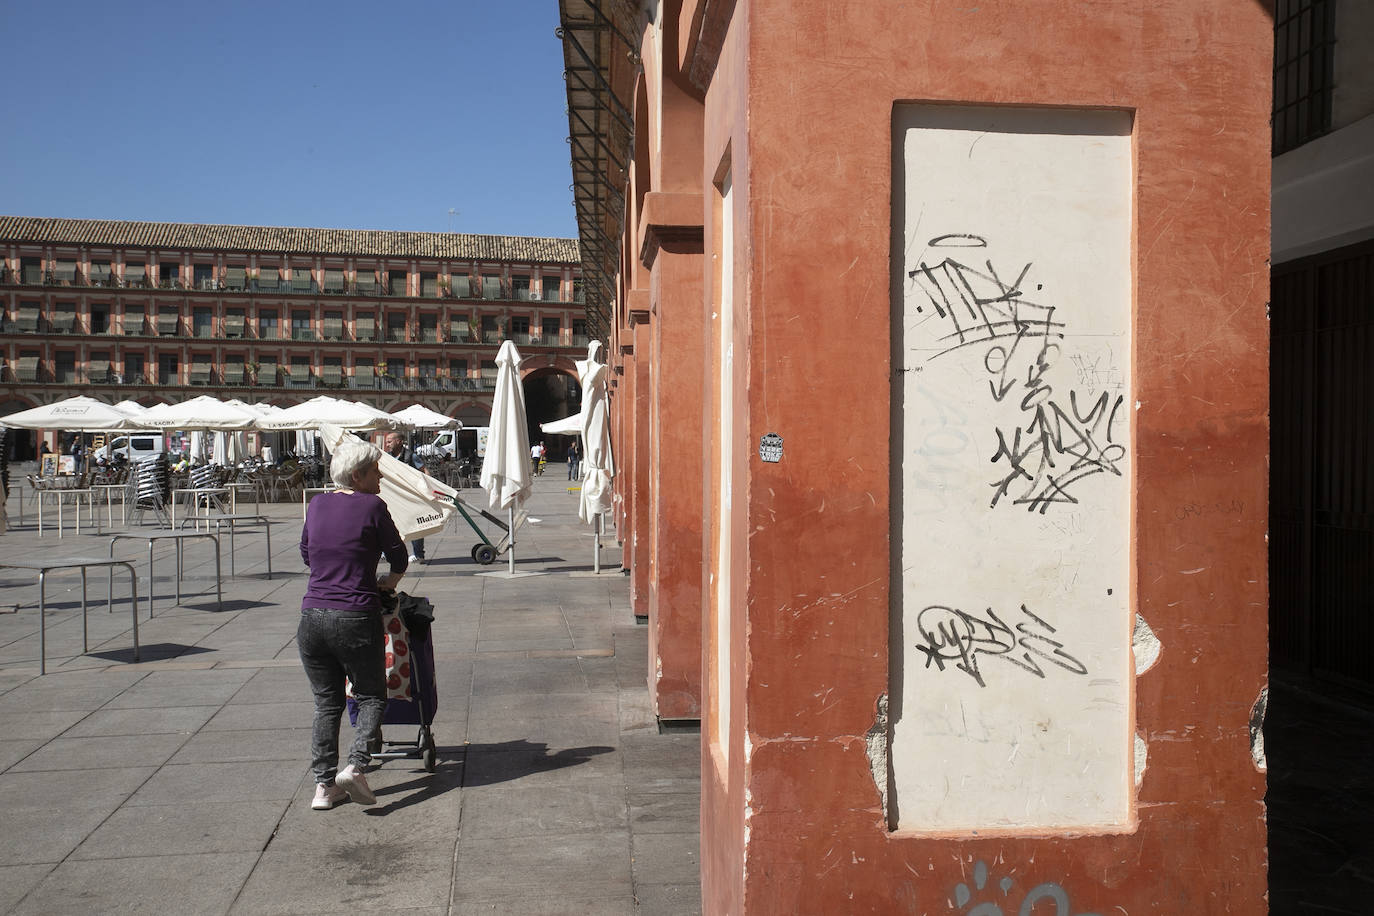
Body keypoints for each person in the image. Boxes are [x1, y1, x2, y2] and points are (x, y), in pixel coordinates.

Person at [298, 436, 408, 810]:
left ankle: (323, 787)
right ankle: (357, 765)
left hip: (311, 616)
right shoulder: (372, 506)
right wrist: (385, 584)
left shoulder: (316, 504)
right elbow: (398, 556)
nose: (380, 477)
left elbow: (306, 553)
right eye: (375, 470)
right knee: (371, 694)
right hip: (356, 615)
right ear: (358, 476)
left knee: (326, 703)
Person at [384, 432, 425, 562]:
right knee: (389, 525)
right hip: (394, 497)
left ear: (399, 441)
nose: (387, 444)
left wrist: (425, 490)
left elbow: (425, 471)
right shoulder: (387, 457)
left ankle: (418, 554)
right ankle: (388, 552)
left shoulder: (411, 456)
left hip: (410, 497)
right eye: (387, 441)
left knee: (415, 524)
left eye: (389, 441)